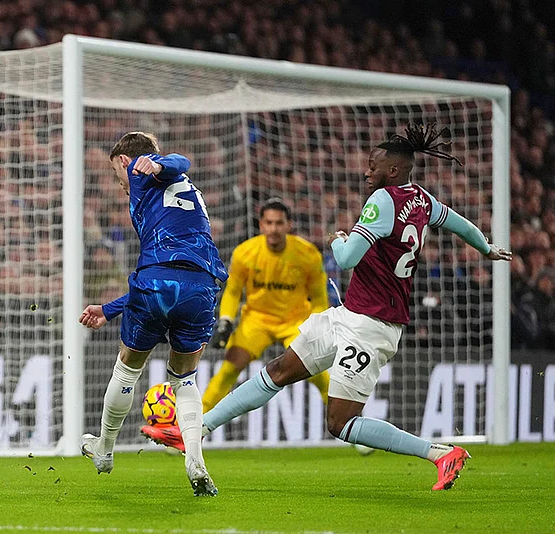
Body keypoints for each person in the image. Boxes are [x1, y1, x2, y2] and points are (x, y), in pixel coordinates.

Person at [141, 123, 512, 491]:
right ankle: (196, 430)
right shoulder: (422, 199)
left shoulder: (382, 200)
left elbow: (348, 258)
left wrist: (339, 240)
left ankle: (439, 453)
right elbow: (459, 224)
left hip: (372, 326)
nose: (368, 170)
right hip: (351, 315)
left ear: (393, 170)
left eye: (374, 165)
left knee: (340, 424)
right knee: (278, 370)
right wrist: (486, 248)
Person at [78, 131, 227, 497]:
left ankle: (105, 450)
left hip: (157, 282)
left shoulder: (146, 174)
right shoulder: (189, 191)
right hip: (202, 286)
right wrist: (110, 310)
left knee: (128, 366)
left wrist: (156, 161)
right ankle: (195, 459)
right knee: (185, 379)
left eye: (117, 173)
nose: (120, 185)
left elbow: (179, 160)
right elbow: (181, 166)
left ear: (126, 162)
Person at [142, 197, 335, 448]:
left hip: (294, 321)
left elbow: (320, 297)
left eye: (279, 223)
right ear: (261, 225)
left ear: (289, 225)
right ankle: (190, 431)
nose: (274, 228)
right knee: (229, 369)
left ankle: (346, 424)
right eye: (269, 223)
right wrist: (225, 321)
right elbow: (232, 292)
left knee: (318, 374)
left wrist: (316, 326)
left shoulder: (307, 254)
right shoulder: (246, 253)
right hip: (257, 321)